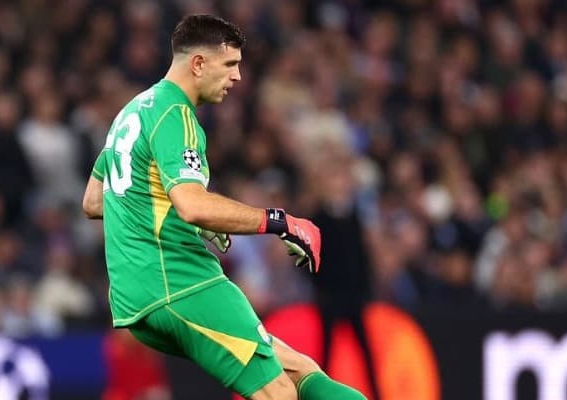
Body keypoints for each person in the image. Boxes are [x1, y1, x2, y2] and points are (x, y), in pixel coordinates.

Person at [82, 15, 367, 400]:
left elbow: (95, 200)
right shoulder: (177, 115)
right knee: (278, 394)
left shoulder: (131, 112)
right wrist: (279, 222)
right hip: (181, 282)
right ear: (198, 63)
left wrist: (174, 210)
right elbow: (193, 205)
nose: (237, 77)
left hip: (138, 299)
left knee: (301, 371)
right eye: (230, 64)